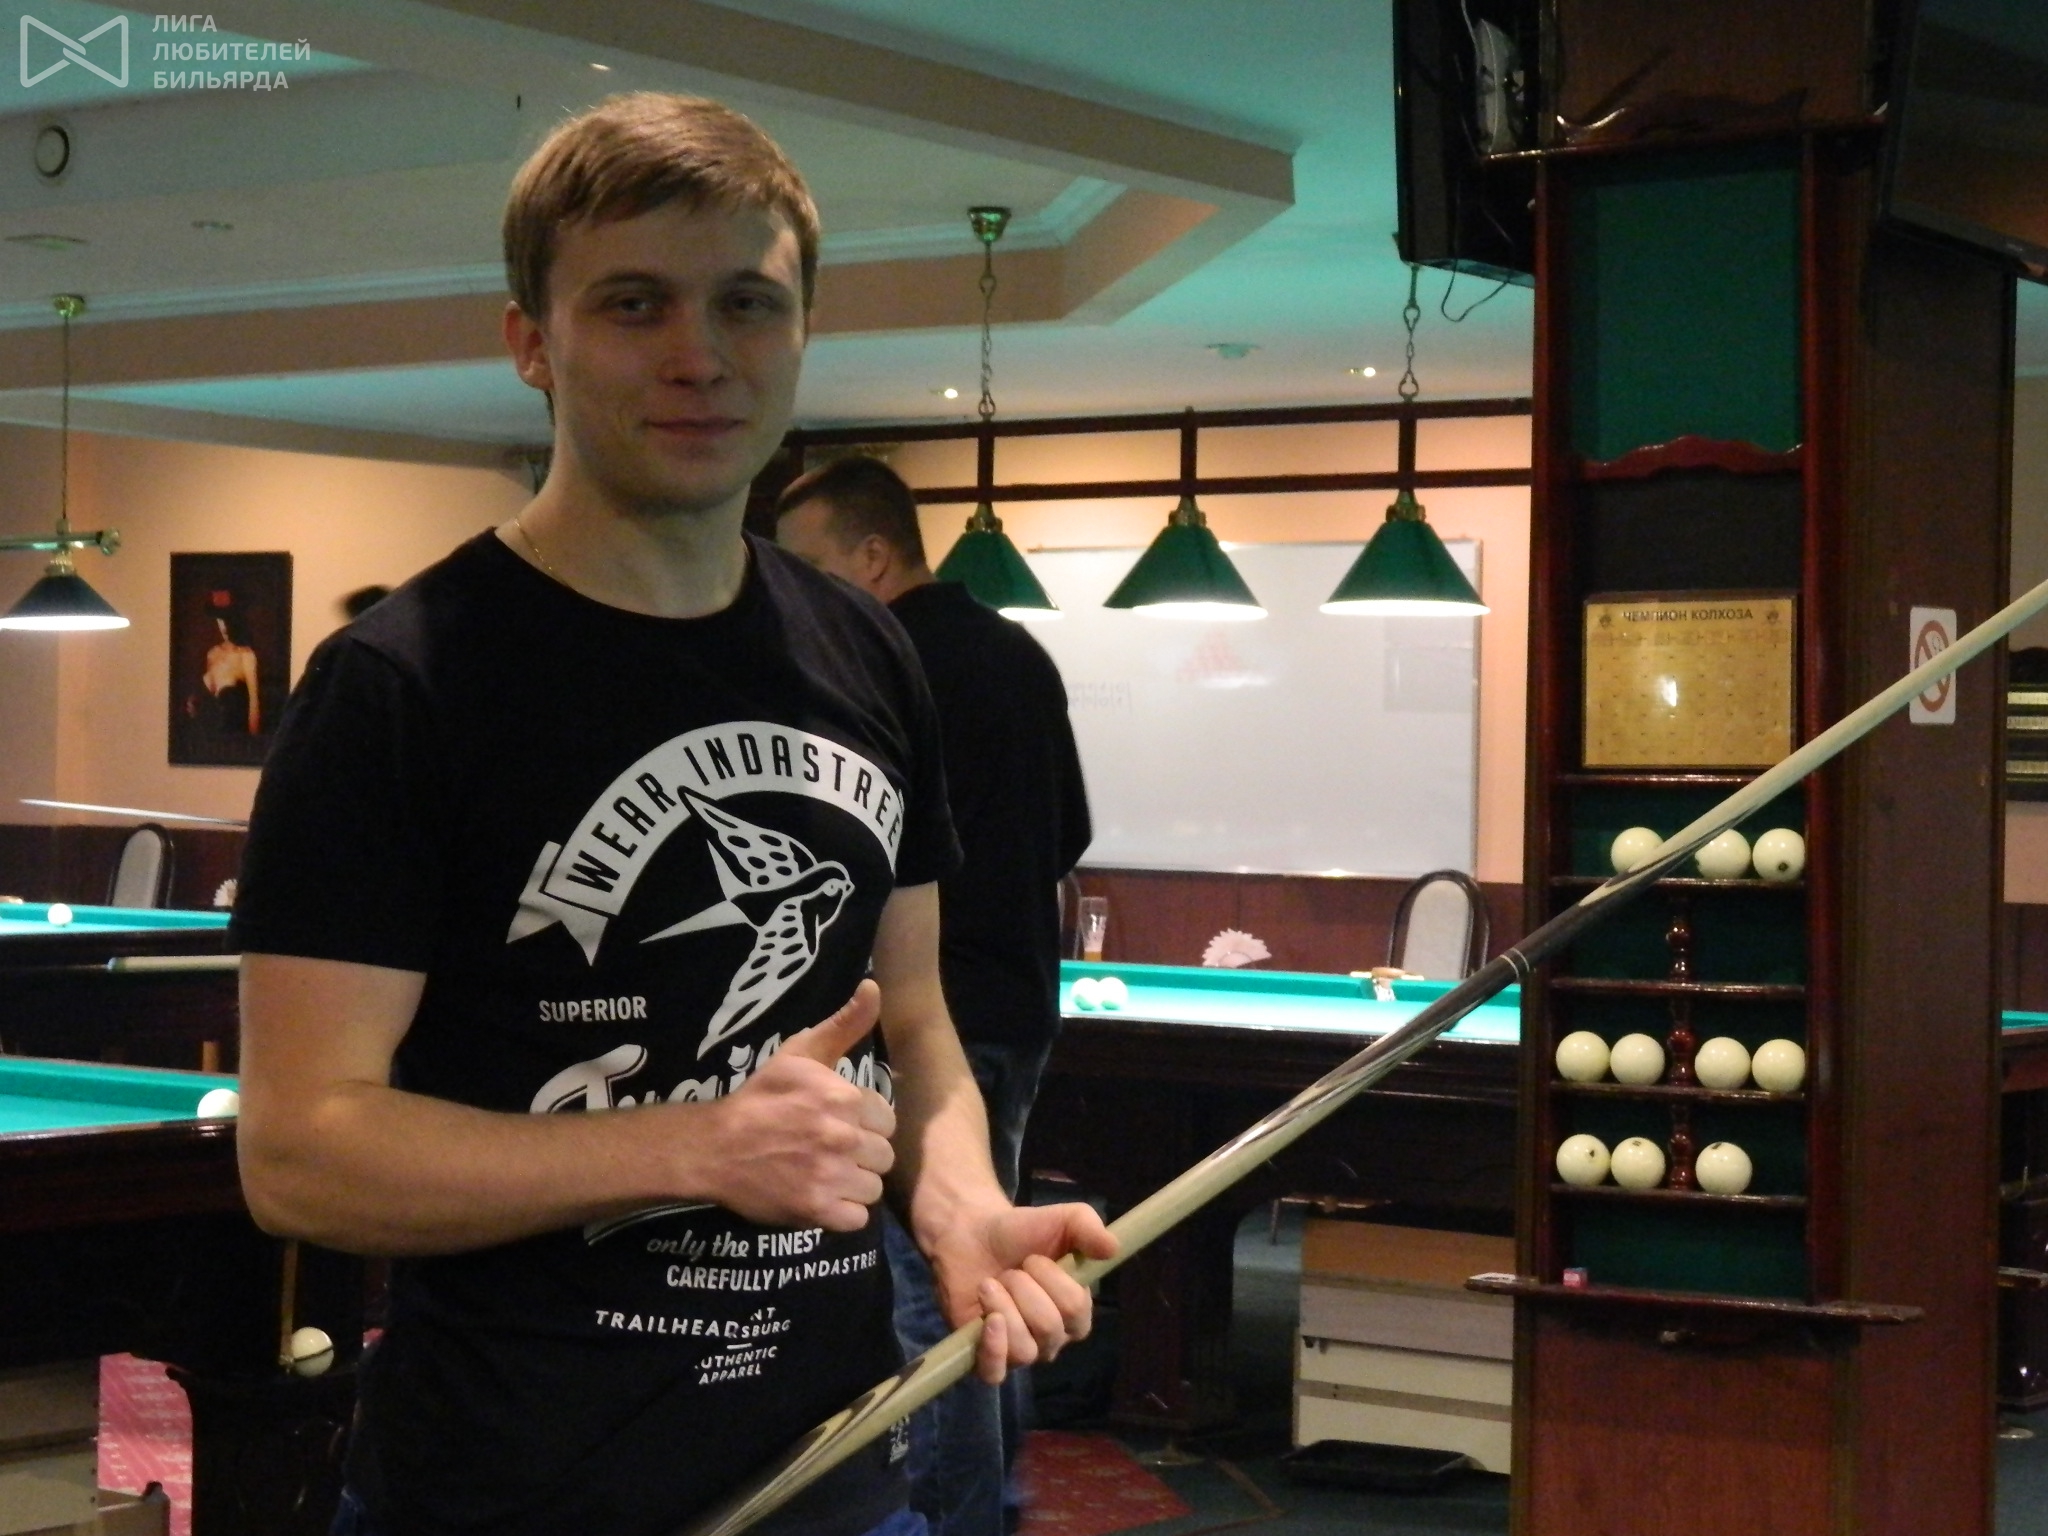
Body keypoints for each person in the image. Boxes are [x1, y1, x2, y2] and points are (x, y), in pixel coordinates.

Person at [229, 92, 1114, 1536]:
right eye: (634, 303)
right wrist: (698, 1147)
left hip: (833, 1476)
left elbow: (914, 1022)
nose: (700, 355)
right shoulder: (399, 683)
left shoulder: (867, 648)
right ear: (532, 341)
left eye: (747, 304)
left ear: (802, 331)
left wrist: (958, 1201)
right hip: (508, 1498)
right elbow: (300, 1151)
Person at [775, 456, 1091, 1536]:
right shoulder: (1016, 652)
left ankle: (961, 1518)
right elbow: (1072, 835)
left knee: (931, 1299)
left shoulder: (872, 664)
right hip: (1014, 1007)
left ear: (872, 555)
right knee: (986, 1270)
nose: (793, 594)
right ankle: (990, 1501)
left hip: (926, 1030)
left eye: (808, 567)